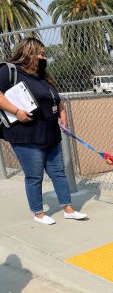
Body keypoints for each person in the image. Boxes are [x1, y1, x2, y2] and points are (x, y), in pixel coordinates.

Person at [0, 37, 86, 225]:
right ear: (28, 52)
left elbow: (55, 99)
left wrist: (62, 112)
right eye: (41, 53)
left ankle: (68, 208)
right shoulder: (9, 70)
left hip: (51, 134)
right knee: (34, 175)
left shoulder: (42, 76)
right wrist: (16, 112)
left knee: (58, 172)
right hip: (26, 135)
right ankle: (38, 212)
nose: (44, 57)